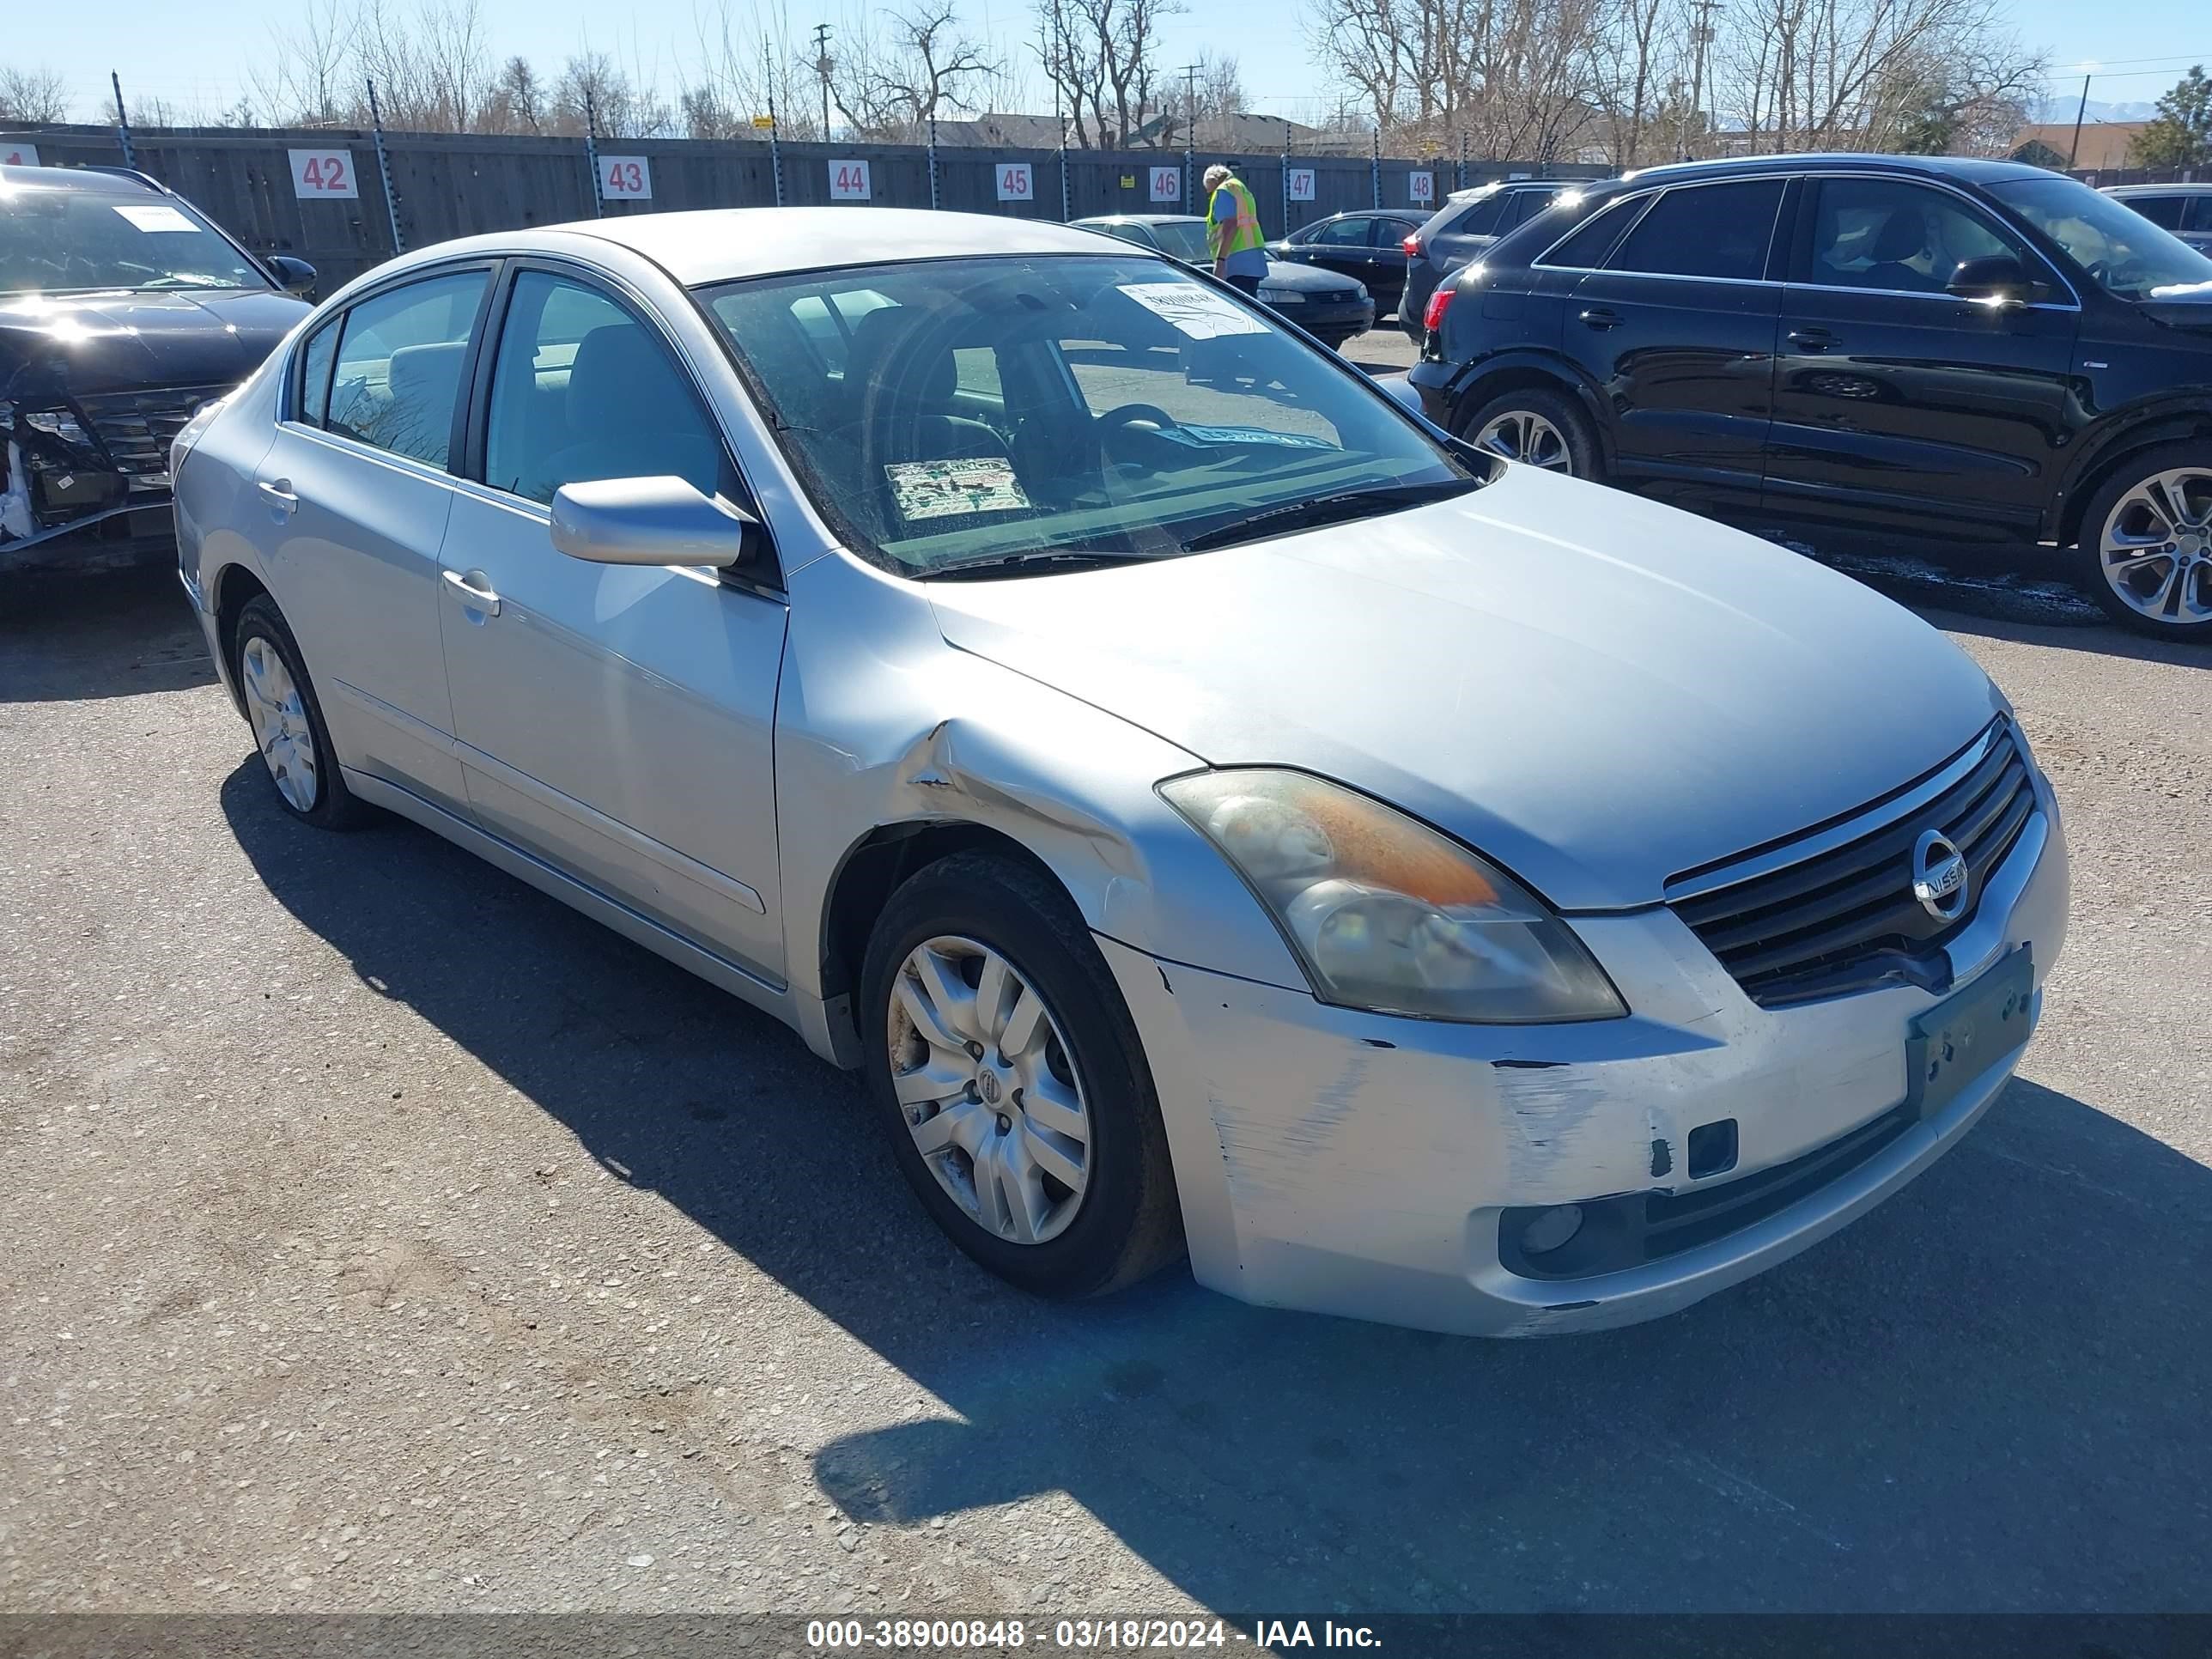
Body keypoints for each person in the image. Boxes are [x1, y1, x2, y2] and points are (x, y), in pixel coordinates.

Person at [1203, 164, 1268, 295]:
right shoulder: (1241, 189)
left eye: (1209, 191)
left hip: (1235, 262)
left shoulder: (1223, 191)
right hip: (1253, 260)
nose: (1210, 195)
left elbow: (1230, 224)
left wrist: (1220, 261)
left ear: (1214, 181)